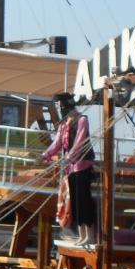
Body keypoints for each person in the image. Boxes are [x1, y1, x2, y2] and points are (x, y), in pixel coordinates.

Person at [42, 92, 97, 245]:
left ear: (64, 106)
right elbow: (57, 143)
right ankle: (82, 235)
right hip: (71, 167)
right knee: (75, 201)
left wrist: (69, 157)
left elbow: (79, 142)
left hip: (82, 165)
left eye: (59, 106)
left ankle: (89, 235)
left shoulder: (82, 120)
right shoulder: (64, 124)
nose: (59, 109)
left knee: (84, 199)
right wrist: (46, 155)